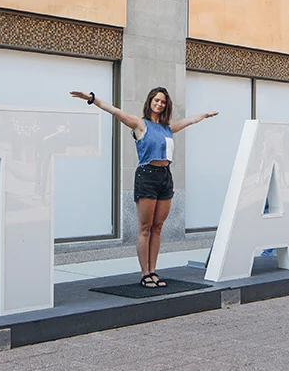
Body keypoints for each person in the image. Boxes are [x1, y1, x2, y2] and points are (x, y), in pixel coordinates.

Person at [71, 87, 217, 288]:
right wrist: (92, 99)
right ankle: (144, 273)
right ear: (150, 101)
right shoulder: (140, 124)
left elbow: (189, 121)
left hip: (166, 176)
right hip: (147, 175)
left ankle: (154, 270)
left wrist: (204, 115)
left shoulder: (168, 128)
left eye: (163, 101)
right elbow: (114, 111)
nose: (159, 104)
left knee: (158, 228)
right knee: (145, 228)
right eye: (157, 100)